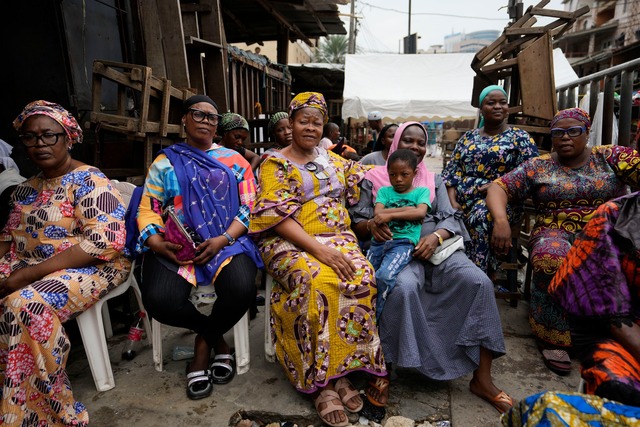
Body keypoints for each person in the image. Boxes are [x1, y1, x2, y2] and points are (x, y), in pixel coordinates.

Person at [351, 121, 513, 414]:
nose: (415, 147)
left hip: (437, 248)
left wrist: (436, 236)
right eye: (408, 140)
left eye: (420, 142)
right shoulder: (373, 178)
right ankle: (382, 372)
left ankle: (483, 379)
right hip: (396, 249)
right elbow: (359, 223)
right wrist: (372, 226)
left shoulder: (433, 179)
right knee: (401, 287)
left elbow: (451, 216)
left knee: (478, 282)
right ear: (395, 143)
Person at [249, 92, 386, 427]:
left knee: (361, 277)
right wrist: (318, 250)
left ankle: (339, 373)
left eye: (316, 122)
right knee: (316, 282)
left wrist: (417, 174)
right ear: (291, 124)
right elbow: (275, 218)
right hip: (288, 239)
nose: (309, 127)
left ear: (323, 126)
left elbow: (368, 175)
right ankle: (317, 384)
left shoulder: (331, 159)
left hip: (338, 237)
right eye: (303, 121)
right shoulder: (274, 164)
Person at [0, 100, 130, 425]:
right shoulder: (23, 191)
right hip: (32, 266)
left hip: (94, 267)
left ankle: (50, 412)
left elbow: (105, 242)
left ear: (68, 137)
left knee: (24, 303)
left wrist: (27, 275)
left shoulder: (89, 180)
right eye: (30, 138)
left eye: (49, 135)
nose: (40, 144)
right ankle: (13, 390)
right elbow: (9, 240)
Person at [486, 107, 640, 376]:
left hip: (608, 231)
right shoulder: (539, 165)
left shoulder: (611, 157)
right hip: (554, 230)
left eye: (573, 131)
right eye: (558, 132)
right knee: (550, 258)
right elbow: (499, 187)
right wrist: (500, 220)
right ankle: (553, 336)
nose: (565, 137)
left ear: (586, 132)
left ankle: (618, 326)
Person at [136, 95, 263, 400]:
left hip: (225, 242)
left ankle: (202, 347)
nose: (206, 121)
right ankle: (217, 338)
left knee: (242, 289)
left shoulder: (235, 162)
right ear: (184, 119)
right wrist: (156, 242)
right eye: (199, 115)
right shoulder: (165, 161)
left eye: (212, 117)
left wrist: (224, 238)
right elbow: (148, 208)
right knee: (159, 300)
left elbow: (250, 207)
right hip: (178, 244)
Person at [549, 192, 640, 406]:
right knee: (550, 256)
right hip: (617, 334)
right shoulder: (615, 216)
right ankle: (550, 337)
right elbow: (615, 319)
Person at [441, 85, 538, 273]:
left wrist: (498, 188)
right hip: (463, 200)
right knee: (446, 217)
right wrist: (452, 203)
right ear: (481, 108)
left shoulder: (520, 138)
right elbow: (452, 174)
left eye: (502, 102)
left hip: (503, 204)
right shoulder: (468, 138)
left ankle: (478, 275)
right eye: (491, 102)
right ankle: (453, 274)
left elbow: (529, 175)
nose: (497, 106)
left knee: (482, 215)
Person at [367, 148, 430, 319]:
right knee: (365, 275)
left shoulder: (421, 192)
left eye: (404, 174)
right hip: (379, 242)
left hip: (403, 243)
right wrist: (409, 209)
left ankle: (376, 317)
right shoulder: (384, 192)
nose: (398, 179)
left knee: (384, 275)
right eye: (393, 175)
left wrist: (392, 213)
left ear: (415, 173)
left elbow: (420, 213)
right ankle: (362, 312)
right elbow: (378, 214)